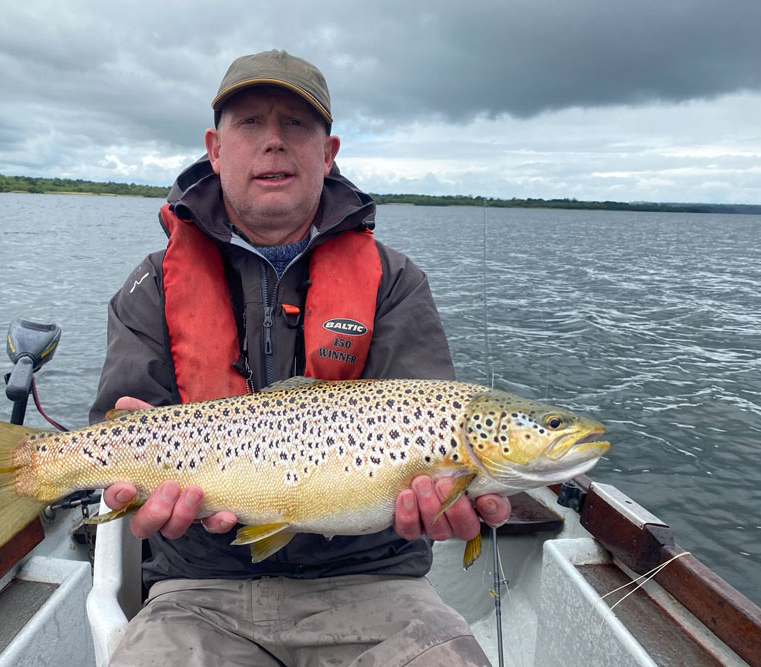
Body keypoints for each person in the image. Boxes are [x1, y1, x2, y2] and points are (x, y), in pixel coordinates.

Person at [90, 49, 512, 666]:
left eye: (297, 125)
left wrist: (452, 502)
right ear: (215, 147)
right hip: (197, 590)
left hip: (377, 584)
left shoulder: (395, 280)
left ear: (329, 151)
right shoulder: (152, 283)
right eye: (250, 124)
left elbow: (427, 420)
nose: (274, 144)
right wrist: (123, 474)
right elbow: (117, 426)